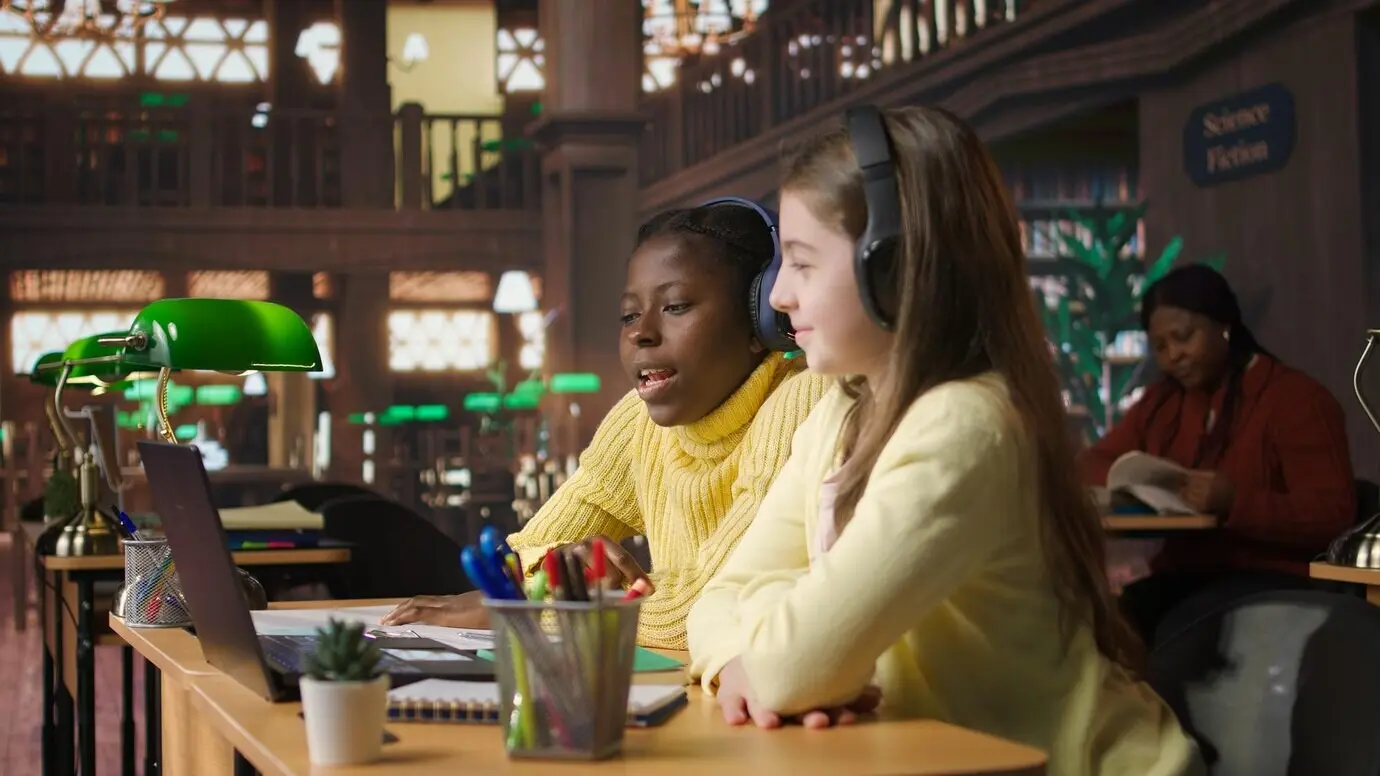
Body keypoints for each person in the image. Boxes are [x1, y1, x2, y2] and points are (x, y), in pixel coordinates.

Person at [685, 105, 1202, 775]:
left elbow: (791, 667)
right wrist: (741, 665)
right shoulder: (839, 415)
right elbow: (721, 602)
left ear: (896, 267)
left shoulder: (965, 423)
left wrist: (787, 662)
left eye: (805, 264)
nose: (779, 294)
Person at [382, 200, 832, 649]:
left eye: (675, 306)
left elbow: (714, 606)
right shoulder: (639, 421)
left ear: (762, 321)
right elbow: (532, 548)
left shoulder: (804, 398)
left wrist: (537, 607)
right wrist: (551, 580)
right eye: (629, 315)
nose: (641, 333)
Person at [1084, 264, 1355, 642]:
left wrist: (1235, 502)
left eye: (1183, 337)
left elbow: (1334, 515)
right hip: (1188, 577)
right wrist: (1132, 492)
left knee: (1169, 635)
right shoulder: (1163, 402)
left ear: (1224, 326)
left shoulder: (1296, 400)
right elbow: (1096, 462)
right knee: (1105, 625)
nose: (1173, 355)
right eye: (1160, 346)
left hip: (1277, 582)